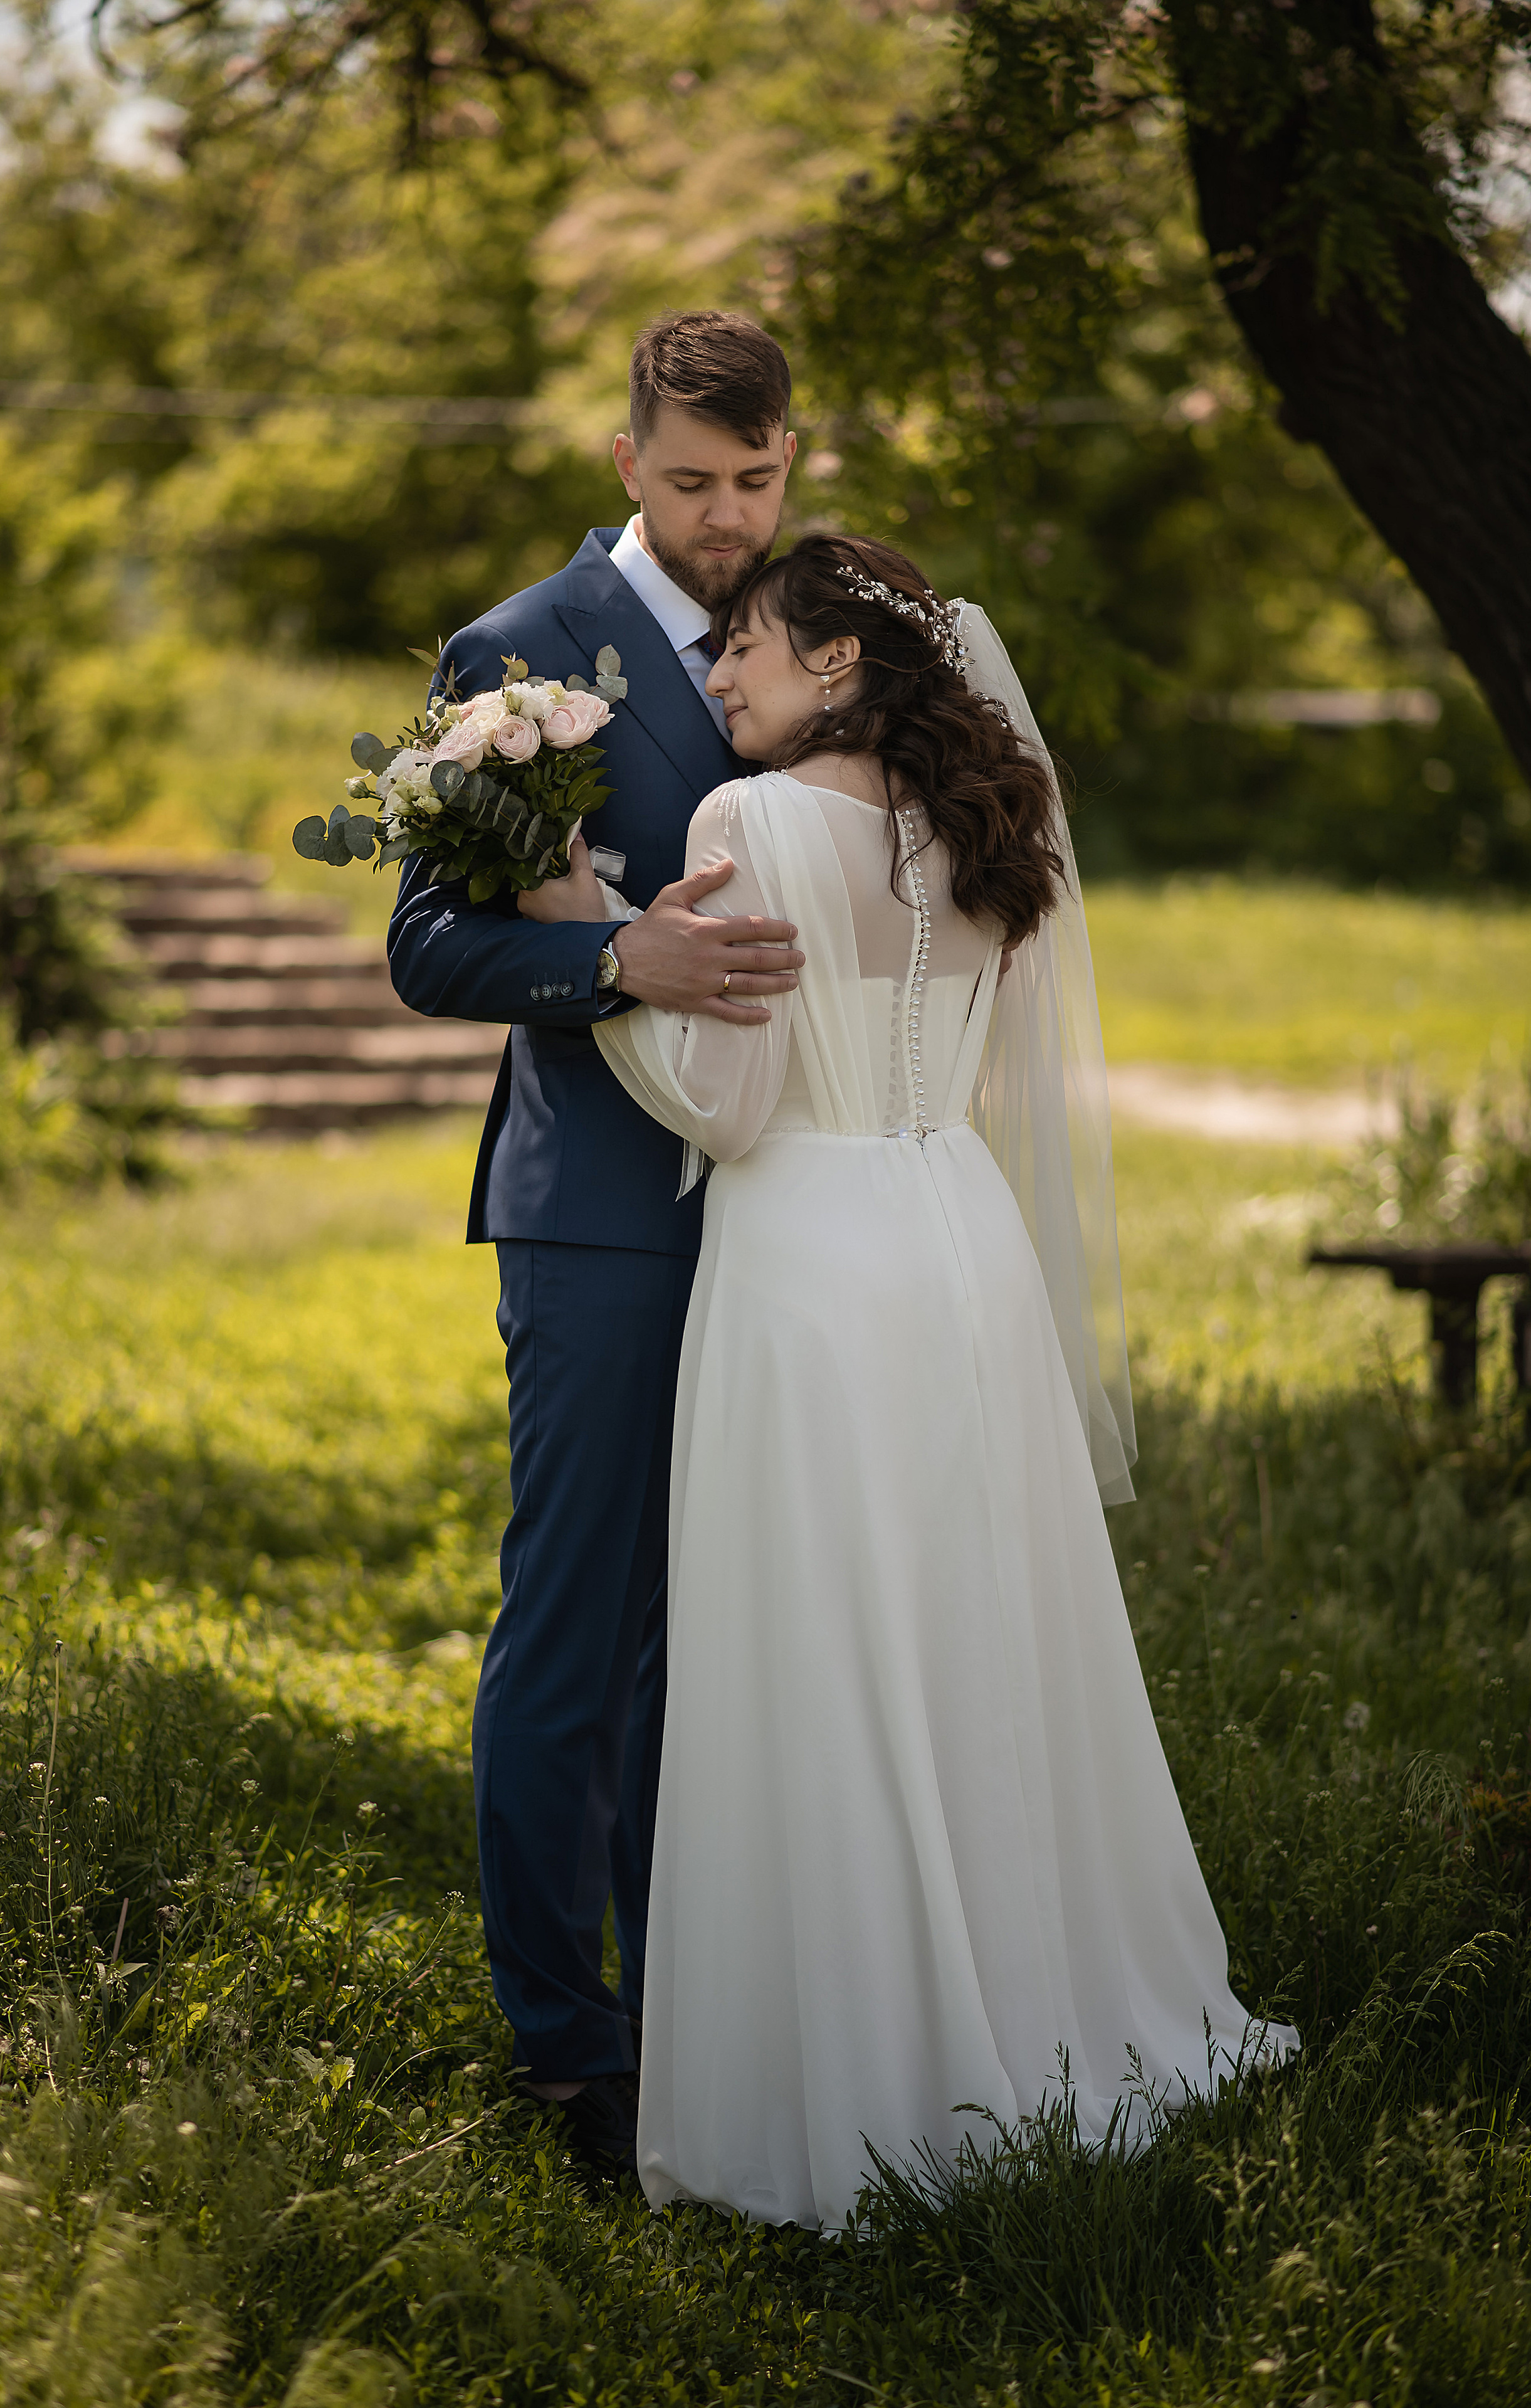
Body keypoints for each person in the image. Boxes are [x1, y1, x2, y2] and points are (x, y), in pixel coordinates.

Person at [518, 532, 1300, 2230]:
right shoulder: (981, 828)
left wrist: (587, 936)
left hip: (808, 1254)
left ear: (845, 669)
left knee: (821, 1648)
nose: (716, 674)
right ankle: (1033, 2013)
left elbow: (726, 1107)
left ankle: (863, 2073)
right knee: (972, 1643)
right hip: (959, 1238)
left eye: (750, 649)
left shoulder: (753, 825)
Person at [387, 312, 805, 2175]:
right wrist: (615, 954)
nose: (727, 518)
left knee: (709, 1644)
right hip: (602, 1223)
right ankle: (568, 2049)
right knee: (575, 1633)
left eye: (759, 481)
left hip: (793, 1221)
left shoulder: (808, 628)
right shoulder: (523, 654)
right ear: (626, 462)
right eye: (696, 482)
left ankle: (702, 2007)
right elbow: (428, 945)